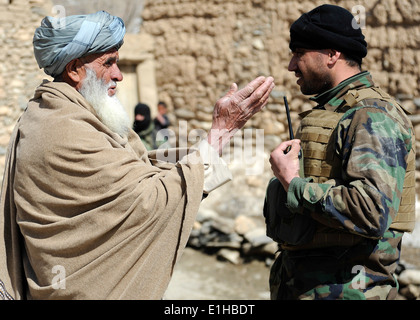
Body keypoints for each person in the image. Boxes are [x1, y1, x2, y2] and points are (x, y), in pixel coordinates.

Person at [0, 11, 274, 300]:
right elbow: (146, 201)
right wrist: (221, 132)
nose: (118, 75)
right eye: (109, 63)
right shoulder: (64, 129)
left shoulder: (50, 113)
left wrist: (204, 148)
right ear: (74, 69)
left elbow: (135, 169)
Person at [264, 4, 416, 300]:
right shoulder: (337, 112)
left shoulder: (372, 116)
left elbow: (371, 212)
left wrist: (294, 184)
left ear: (332, 54)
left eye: (299, 54)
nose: (291, 66)